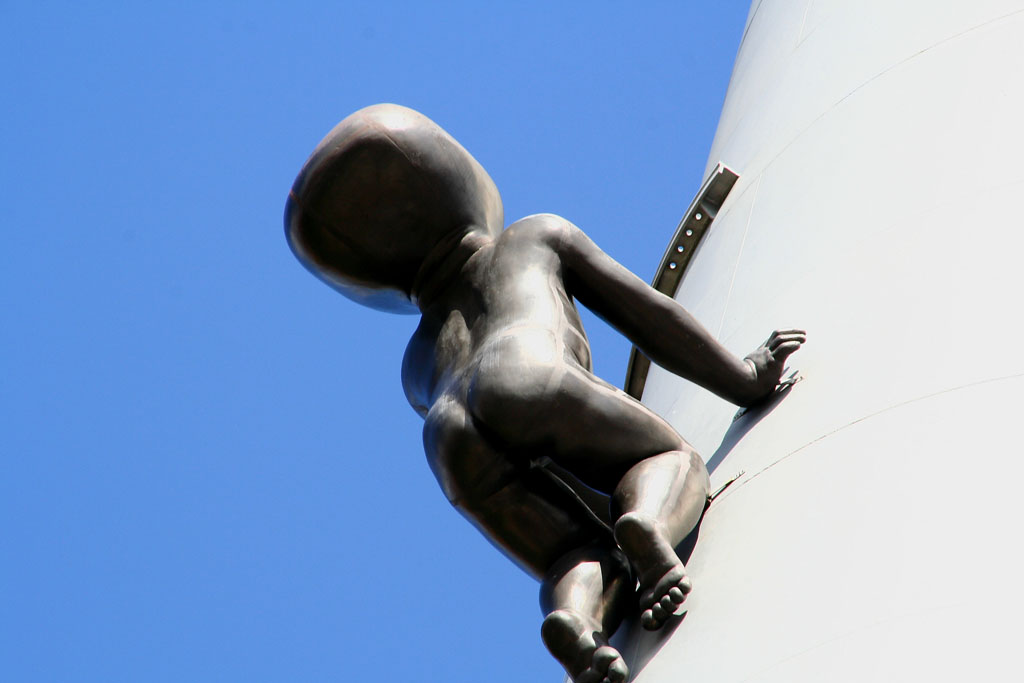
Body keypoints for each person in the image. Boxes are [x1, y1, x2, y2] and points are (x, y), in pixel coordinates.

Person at [285, 103, 804, 683]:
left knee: (568, 553)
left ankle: (578, 620)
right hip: (525, 368)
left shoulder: (414, 366)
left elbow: (548, 473)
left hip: (447, 436)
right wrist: (743, 376)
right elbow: (648, 317)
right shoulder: (534, 236)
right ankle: (648, 525)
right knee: (665, 458)